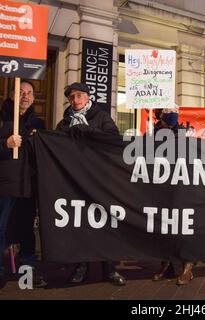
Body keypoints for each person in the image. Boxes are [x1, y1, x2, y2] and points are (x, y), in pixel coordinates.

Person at [0, 80, 47, 296]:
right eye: (20, 92)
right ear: (12, 95)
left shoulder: (38, 124)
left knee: (26, 232)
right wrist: (5, 144)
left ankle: (28, 272)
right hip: (3, 187)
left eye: (29, 93)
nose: (25, 96)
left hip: (27, 187)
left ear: (33, 98)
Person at [56, 82, 126, 286]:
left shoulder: (101, 117)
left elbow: (113, 139)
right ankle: (81, 266)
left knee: (105, 222)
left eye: (79, 96)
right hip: (76, 181)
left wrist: (88, 130)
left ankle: (109, 268)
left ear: (87, 97)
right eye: (71, 97)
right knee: (80, 223)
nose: (75, 100)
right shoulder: (64, 122)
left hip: (101, 179)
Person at [150, 107, 195, 285]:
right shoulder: (152, 131)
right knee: (163, 225)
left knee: (184, 224)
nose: (172, 113)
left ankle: (188, 267)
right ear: (160, 114)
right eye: (168, 110)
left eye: (175, 110)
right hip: (160, 183)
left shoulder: (184, 130)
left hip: (181, 183)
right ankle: (166, 265)